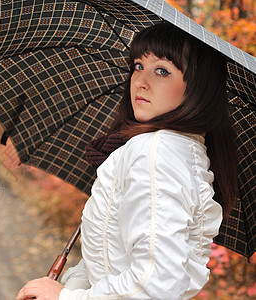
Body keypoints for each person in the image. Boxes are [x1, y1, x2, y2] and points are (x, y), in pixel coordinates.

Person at [16, 22, 238, 300]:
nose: (141, 81)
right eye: (137, 66)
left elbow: (155, 286)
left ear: (197, 88)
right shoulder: (177, 150)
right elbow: (116, 259)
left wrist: (64, 297)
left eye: (162, 70)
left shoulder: (158, 152)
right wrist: (68, 287)